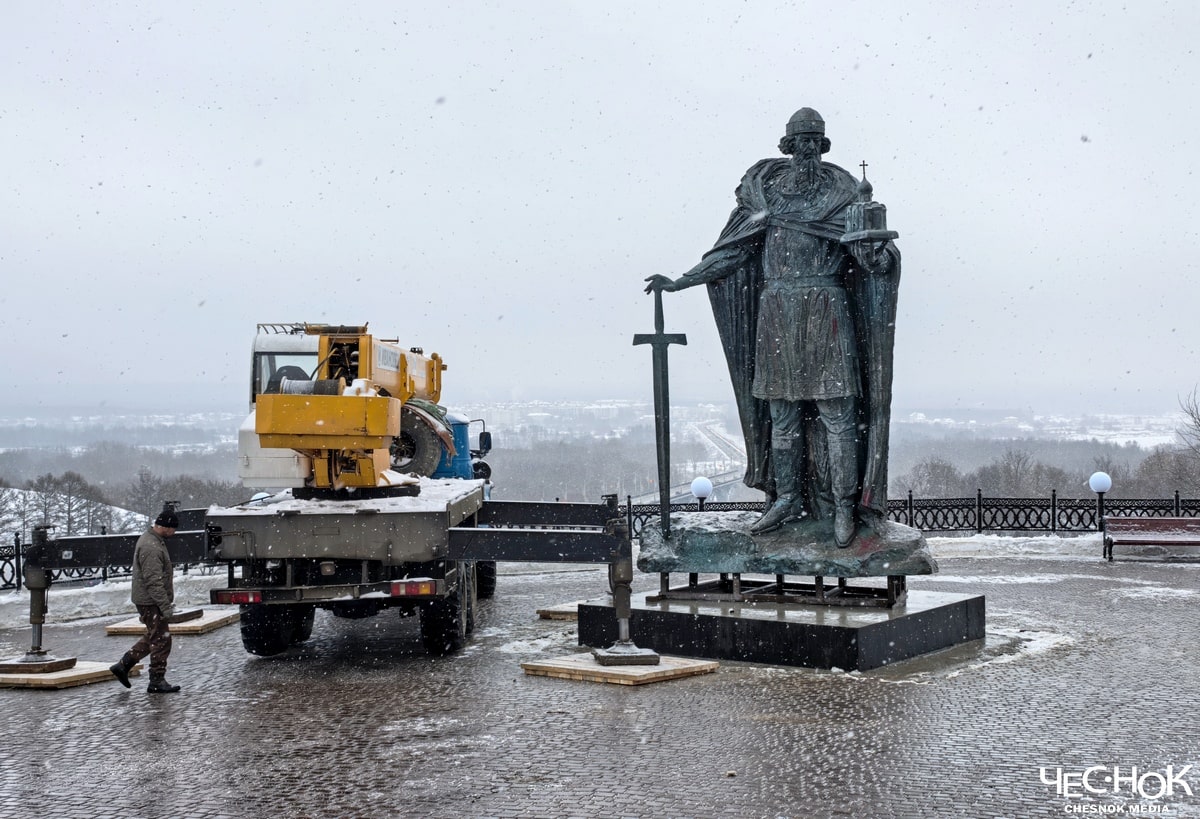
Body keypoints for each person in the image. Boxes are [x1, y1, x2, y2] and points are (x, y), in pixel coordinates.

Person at [645, 107, 901, 548]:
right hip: (777, 314)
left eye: (814, 142)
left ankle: (843, 507)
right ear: (787, 146)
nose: (807, 149)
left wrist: (876, 254)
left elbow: (871, 263)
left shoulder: (842, 200)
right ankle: (785, 500)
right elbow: (733, 252)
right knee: (781, 417)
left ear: (822, 147)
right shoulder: (765, 200)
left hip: (826, 311)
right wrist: (683, 280)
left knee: (837, 417)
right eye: (799, 141)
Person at [109, 510, 181, 693]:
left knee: (154, 635)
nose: (174, 533)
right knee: (162, 640)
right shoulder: (151, 547)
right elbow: (153, 580)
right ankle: (156, 680)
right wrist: (165, 607)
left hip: (149, 600)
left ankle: (124, 665)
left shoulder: (154, 541)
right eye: (173, 529)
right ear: (164, 527)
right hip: (151, 602)